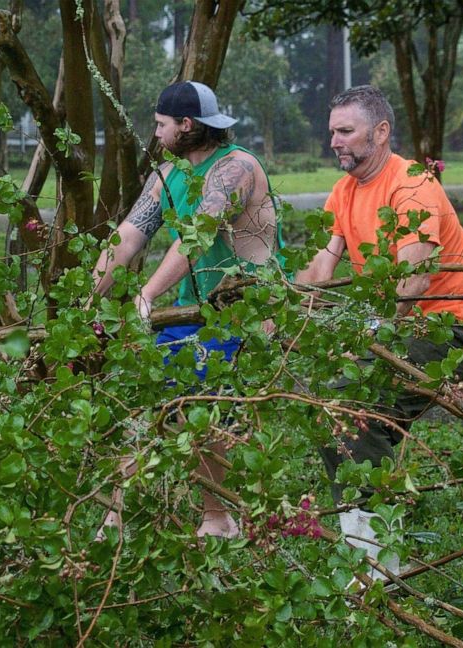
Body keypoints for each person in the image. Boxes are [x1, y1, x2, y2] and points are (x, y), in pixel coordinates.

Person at [295, 85, 463, 578]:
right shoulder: (344, 190)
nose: (335, 141)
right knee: (338, 416)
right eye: (331, 132)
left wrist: (359, 341)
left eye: (346, 131)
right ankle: (368, 540)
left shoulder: (413, 186)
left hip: (445, 327)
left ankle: (379, 564)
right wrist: (275, 302)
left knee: (349, 411)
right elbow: (319, 271)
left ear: (380, 132)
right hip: (386, 326)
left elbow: (412, 283)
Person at [90, 80, 285, 538]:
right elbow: (127, 238)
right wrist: (86, 301)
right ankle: (122, 518)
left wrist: (146, 294)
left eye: (160, 125)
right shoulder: (166, 176)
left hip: (245, 312)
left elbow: (199, 231)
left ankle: (215, 518)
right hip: (190, 314)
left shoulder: (236, 169)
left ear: (186, 124)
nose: (154, 134)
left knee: (200, 413)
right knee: (147, 401)